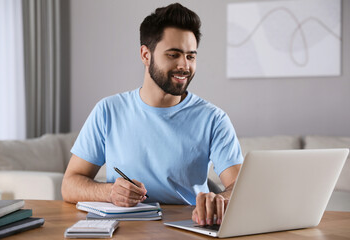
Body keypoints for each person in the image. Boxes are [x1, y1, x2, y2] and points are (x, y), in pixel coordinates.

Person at [62, 3, 243, 227]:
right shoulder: (108, 111)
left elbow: (241, 187)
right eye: (174, 55)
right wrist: (110, 192)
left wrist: (220, 199)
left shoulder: (214, 119)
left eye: (190, 56)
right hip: (123, 228)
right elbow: (69, 185)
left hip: (188, 228)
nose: (184, 65)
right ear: (145, 55)